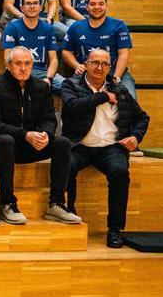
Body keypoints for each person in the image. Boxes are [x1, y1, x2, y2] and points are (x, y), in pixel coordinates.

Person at [61, 49, 150, 248]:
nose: (99, 68)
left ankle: (115, 229)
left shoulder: (120, 90)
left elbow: (142, 117)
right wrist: (103, 97)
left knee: (120, 172)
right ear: (86, 64)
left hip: (111, 147)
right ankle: (69, 216)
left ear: (110, 67)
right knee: (65, 167)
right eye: (95, 63)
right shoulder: (71, 84)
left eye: (104, 64)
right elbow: (73, 106)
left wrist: (135, 137)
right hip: (79, 144)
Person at [0, 46, 78, 225]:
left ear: (32, 65)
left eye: (27, 63)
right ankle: (8, 203)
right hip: (4, 147)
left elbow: (49, 118)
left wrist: (46, 135)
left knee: (62, 143)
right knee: (5, 140)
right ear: (8, 65)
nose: (23, 68)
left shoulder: (42, 87)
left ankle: (56, 203)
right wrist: (25, 134)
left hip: (33, 144)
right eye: (18, 64)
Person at [62, 0, 135, 98]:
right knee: (73, 101)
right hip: (86, 74)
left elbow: (123, 54)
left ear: (106, 6)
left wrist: (116, 78)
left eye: (101, 4)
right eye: (92, 4)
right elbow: (66, 51)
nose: (97, 7)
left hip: (114, 72)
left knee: (130, 101)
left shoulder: (119, 26)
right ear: (87, 7)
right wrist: (77, 65)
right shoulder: (76, 27)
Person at [3, 0, 62, 89]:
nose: (32, 6)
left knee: (68, 87)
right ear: (21, 8)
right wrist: (21, 75)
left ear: (41, 8)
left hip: (42, 72)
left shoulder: (48, 28)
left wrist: (48, 78)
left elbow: (54, 60)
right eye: (28, 3)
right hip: (20, 71)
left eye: (35, 3)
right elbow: (7, 59)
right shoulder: (12, 27)